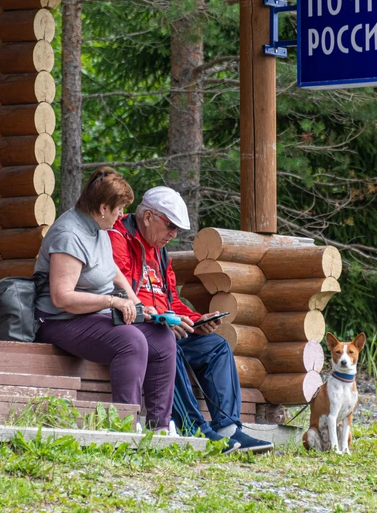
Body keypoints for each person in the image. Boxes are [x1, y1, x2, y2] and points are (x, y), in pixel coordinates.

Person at [109, 186, 274, 453]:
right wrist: (164, 320)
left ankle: (229, 429)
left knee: (216, 346)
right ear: (148, 216)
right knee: (165, 345)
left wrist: (196, 320)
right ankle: (194, 429)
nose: (174, 235)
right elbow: (120, 294)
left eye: (177, 229)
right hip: (138, 330)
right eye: (170, 226)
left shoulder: (159, 250)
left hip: (164, 326)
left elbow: (171, 299)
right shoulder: (119, 238)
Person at [33, 167, 177, 431]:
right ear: (102, 207)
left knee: (162, 338)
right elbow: (61, 297)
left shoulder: (99, 229)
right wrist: (112, 302)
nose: (122, 215)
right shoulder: (70, 234)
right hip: (59, 321)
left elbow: (115, 274)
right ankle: (125, 427)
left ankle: (160, 428)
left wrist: (136, 304)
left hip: (90, 317)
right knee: (131, 340)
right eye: (119, 209)